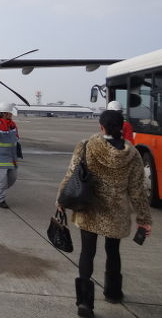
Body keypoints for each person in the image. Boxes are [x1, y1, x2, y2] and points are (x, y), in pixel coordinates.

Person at [56, 110, 152, 318]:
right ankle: (113, 292)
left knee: (87, 253)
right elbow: (138, 191)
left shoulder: (86, 145)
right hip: (116, 213)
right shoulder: (133, 154)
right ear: (121, 127)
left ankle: (84, 303)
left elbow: (71, 173)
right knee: (113, 251)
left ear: (101, 127)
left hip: (88, 208)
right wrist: (144, 219)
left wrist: (60, 201)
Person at [0, 102, 19, 209]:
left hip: (12, 158)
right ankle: (0, 199)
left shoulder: (12, 124)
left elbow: (16, 138)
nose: (11, 115)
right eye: (10, 113)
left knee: (12, 178)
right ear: (5, 113)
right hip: (1, 158)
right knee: (2, 180)